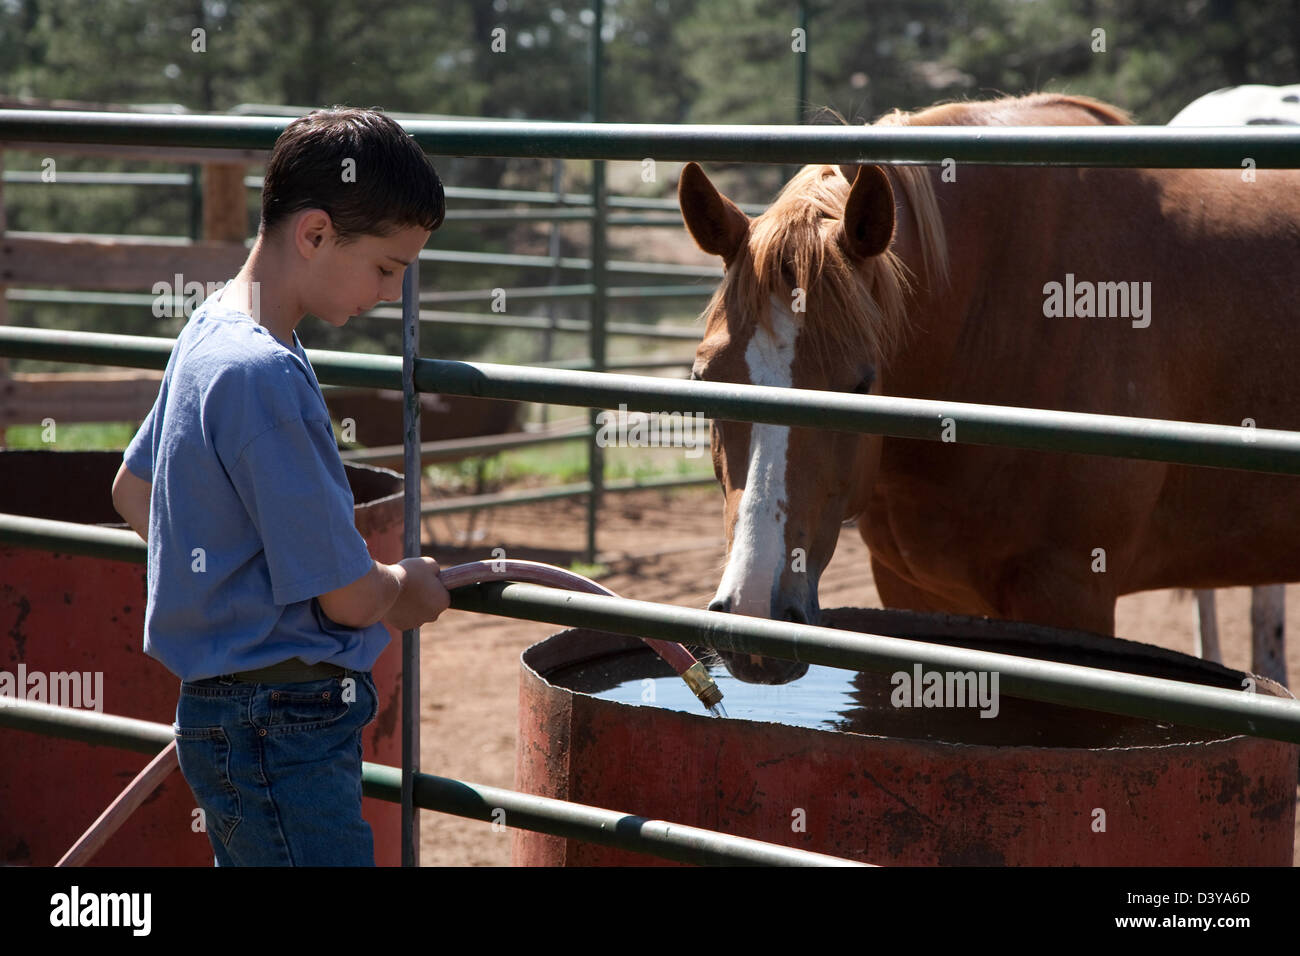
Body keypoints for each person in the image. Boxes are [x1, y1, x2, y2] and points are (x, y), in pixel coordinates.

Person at [110, 106, 451, 866]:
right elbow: (348, 598)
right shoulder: (262, 371)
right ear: (316, 234)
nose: (390, 295)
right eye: (386, 269)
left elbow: (135, 492)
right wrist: (404, 586)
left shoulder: (209, 334)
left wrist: (228, 586)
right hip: (283, 720)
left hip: (230, 710)